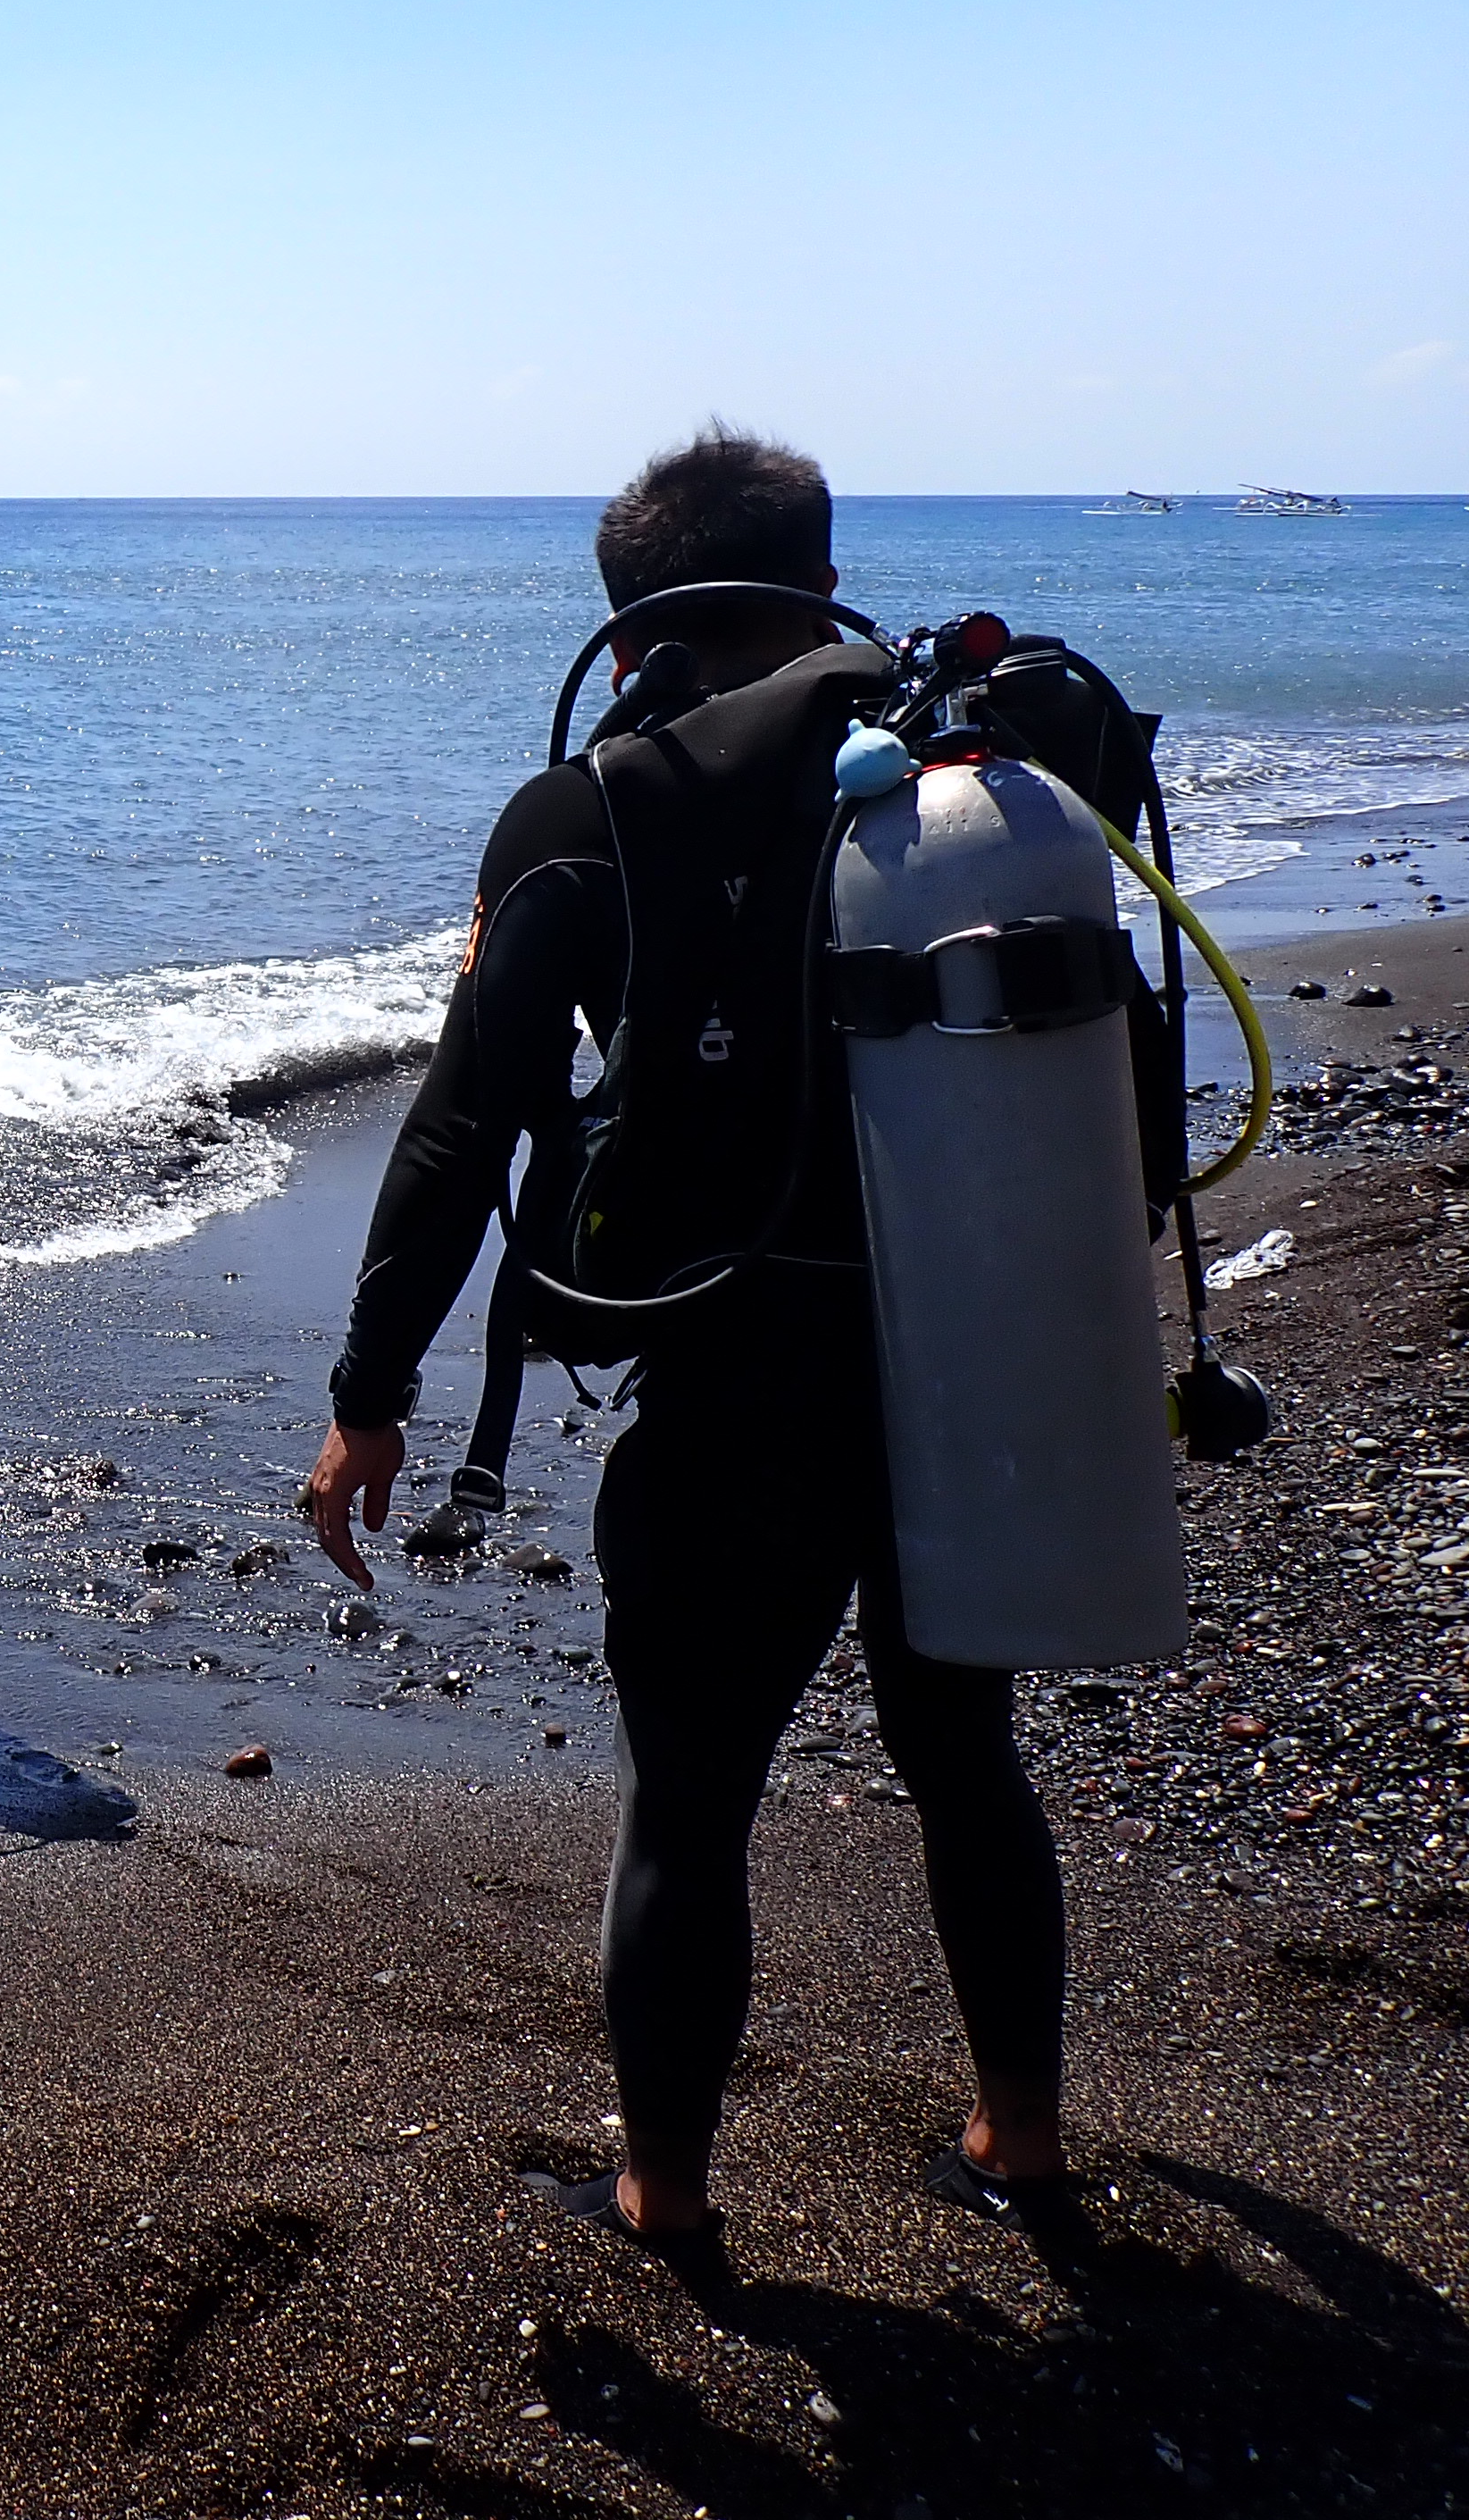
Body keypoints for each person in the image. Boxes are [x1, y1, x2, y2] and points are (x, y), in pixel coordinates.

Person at [298, 426, 1073, 2256]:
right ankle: (1020, 2138)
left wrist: (367, 1396)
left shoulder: (588, 810)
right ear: (820, 570)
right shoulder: (966, 773)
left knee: (691, 1802)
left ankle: (659, 2192)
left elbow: (460, 1123)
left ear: (629, 624)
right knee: (962, 1752)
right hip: (972, 1356)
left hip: (736, 1378)